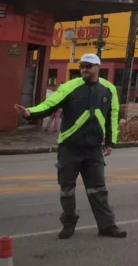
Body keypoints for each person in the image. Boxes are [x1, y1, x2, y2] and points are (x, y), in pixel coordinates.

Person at [13, 54, 126, 240]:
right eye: (82, 66)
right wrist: (29, 113)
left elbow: (112, 117)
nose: (84, 70)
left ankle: (107, 226)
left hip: (93, 150)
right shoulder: (69, 87)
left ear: (98, 67)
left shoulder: (109, 89)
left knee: (98, 189)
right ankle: (69, 223)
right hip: (69, 148)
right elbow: (49, 104)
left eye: (88, 66)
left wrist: (110, 142)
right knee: (67, 189)